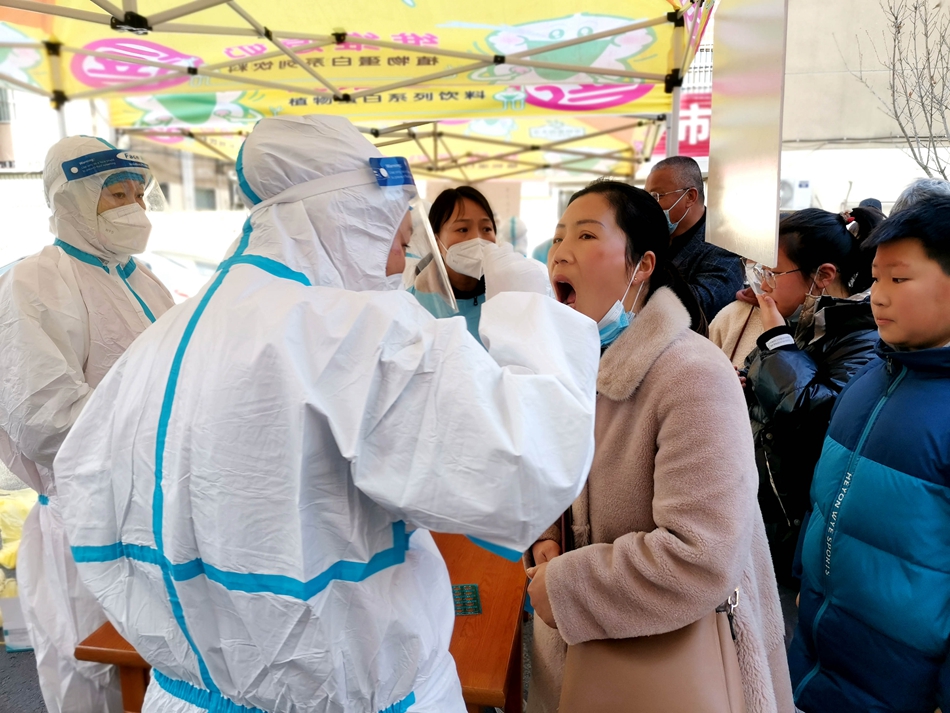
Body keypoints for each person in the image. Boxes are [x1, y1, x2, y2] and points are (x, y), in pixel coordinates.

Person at [52, 115, 600, 713]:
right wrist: (523, 294)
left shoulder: (166, 338)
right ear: (349, 217)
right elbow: (527, 469)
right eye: (394, 232)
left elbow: (85, 490)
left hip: (186, 693)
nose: (400, 258)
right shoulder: (351, 331)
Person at [524, 179, 793, 713]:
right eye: (557, 239)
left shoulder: (692, 374)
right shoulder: (578, 368)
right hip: (586, 662)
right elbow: (565, 483)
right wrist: (548, 539)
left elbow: (700, 557)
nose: (562, 252)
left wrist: (562, 586)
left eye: (585, 235)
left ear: (641, 266)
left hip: (679, 671)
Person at [0, 136, 174, 713]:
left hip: (154, 511)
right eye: (114, 196)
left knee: (155, 673)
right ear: (70, 200)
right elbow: (47, 422)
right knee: (89, 675)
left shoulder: (144, 280)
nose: (133, 208)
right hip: (85, 522)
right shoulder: (36, 282)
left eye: (138, 194)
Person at [789, 198, 950, 713]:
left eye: (899, 281)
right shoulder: (867, 377)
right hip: (814, 654)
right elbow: (825, 497)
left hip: (902, 684)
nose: (878, 297)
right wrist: (802, 578)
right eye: (875, 279)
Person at [740, 207, 883, 593]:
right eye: (757, 271)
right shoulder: (806, 320)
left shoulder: (863, 338)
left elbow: (816, 419)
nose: (761, 285)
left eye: (771, 272)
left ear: (823, 275)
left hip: (798, 532)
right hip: (769, 517)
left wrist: (776, 341)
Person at [410, 186, 548, 342]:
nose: (476, 238)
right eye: (463, 229)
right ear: (435, 241)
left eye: (486, 228)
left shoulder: (511, 294)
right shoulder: (413, 304)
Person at [644, 155, 745, 326]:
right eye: (648, 197)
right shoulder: (652, 235)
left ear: (690, 196)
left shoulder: (722, 243)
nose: (650, 205)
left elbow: (701, 303)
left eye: (657, 196)